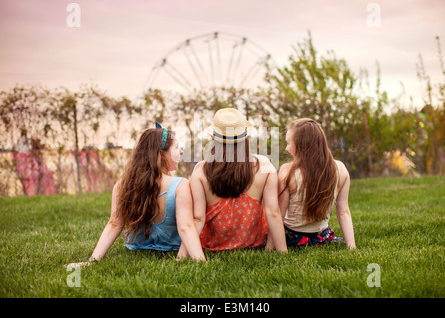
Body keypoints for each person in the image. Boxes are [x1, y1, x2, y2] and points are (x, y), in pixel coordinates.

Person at [69, 123, 205, 267]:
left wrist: (92, 261)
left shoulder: (123, 185)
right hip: (172, 248)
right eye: (177, 147)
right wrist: (201, 262)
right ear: (161, 154)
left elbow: (115, 224)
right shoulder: (181, 186)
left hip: (138, 247)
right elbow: (186, 227)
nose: (182, 151)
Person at [178, 108, 287, 254]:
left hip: (212, 244)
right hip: (252, 242)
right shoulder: (264, 165)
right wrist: (283, 252)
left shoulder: (201, 169)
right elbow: (273, 212)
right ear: (245, 138)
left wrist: (182, 254)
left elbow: (198, 219)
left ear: (214, 140)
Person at [275, 118, 356, 250]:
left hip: (292, 238)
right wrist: (352, 247)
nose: (286, 148)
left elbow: (279, 215)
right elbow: (343, 212)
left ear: (302, 145)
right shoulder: (340, 169)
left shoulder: (287, 171)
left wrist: (274, 248)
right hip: (322, 237)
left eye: (288, 143)